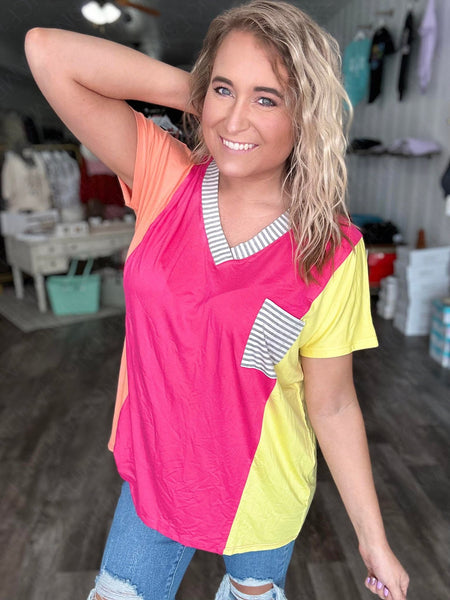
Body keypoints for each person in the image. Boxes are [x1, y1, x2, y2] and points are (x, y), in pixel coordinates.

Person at [25, 2, 410, 599]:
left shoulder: (330, 250)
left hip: (261, 494)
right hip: (156, 476)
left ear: (306, 115)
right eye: (225, 88)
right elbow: (47, 52)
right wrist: (204, 96)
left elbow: (332, 405)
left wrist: (373, 539)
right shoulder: (165, 177)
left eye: (267, 99)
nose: (235, 119)